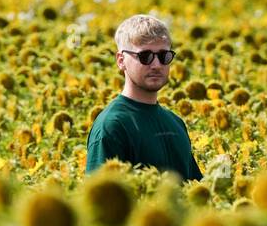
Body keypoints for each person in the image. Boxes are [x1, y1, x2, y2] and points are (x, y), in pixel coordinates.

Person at [85, 14, 203, 180]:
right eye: (145, 56)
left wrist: (223, 173)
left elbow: (195, 189)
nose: (156, 65)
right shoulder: (112, 127)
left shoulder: (176, 123)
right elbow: (101, 198)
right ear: (121, 60)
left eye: (164, 56)